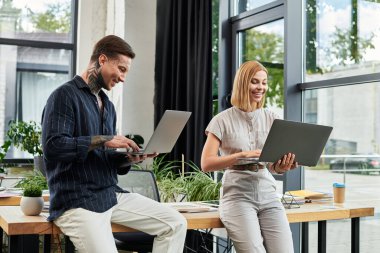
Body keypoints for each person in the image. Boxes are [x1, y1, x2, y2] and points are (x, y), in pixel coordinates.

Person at [42, 35, 187, 253]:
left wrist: (128, 159)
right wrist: (106, 139)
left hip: (111, 195)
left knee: (175, 223)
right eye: (121, 69)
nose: (122, 78)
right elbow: (53, 147)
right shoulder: (63, 96)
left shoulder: (107, 105)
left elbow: (103, 157)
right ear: (102, 60)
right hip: (77, 201)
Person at [201, 60, 297, 253]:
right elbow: (207, 163)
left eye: (263, 82)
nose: (260, 87)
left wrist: (281, 166)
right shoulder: (222, 120)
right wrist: (241, 155)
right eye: (255, 82)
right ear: (243, 83)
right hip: (237, 196)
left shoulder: (272, 118)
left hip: (268, 193)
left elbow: (271, 165)